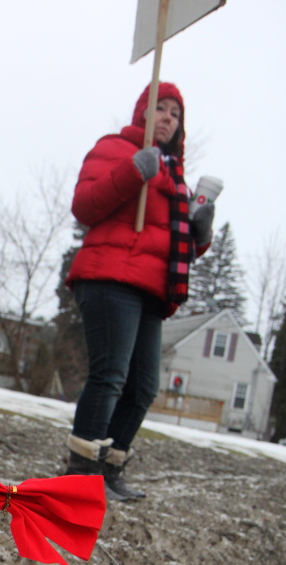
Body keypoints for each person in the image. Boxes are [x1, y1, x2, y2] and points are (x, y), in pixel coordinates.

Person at [64, 82, 214, 500]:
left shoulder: (174, 173)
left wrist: (201, 231)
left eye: (175, 113)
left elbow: (176, 243)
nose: (168, 117)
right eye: (160, 109)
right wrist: (133, 171)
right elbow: (84, 206)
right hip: (109, 276)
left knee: (144, 386)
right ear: (142, 114)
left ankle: (109, 470)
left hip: (151, 288)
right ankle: (80, 474)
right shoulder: (114, 149)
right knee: (110, 375)